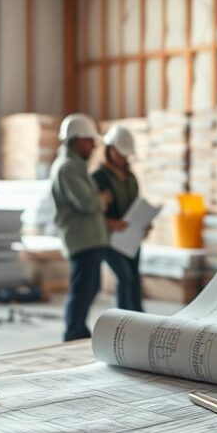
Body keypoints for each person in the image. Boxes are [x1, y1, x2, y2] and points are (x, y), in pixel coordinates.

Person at [50, 113, 111, 341]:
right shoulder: (67, 168)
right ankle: (73, 333)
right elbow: (87, 202)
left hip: (90, 238)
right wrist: (102, 199)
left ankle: (78, 329)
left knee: (90, 286)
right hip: (81, 238)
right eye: (89, 140)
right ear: (75, 140)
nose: (94, 145)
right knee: (82, 289)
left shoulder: (76, 166)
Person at [93, 125, 144, 312]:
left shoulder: (131, 178)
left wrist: (144, 223)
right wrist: (110, 223)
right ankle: (125, 323)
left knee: (134, 279)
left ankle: (140, 319)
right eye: (119, 153)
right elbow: (90, 212)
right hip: (110, 239)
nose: (123, 158)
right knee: (125, 278)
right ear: (110, 149)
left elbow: (136, 205)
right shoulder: (98, 178)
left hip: (131, 237)